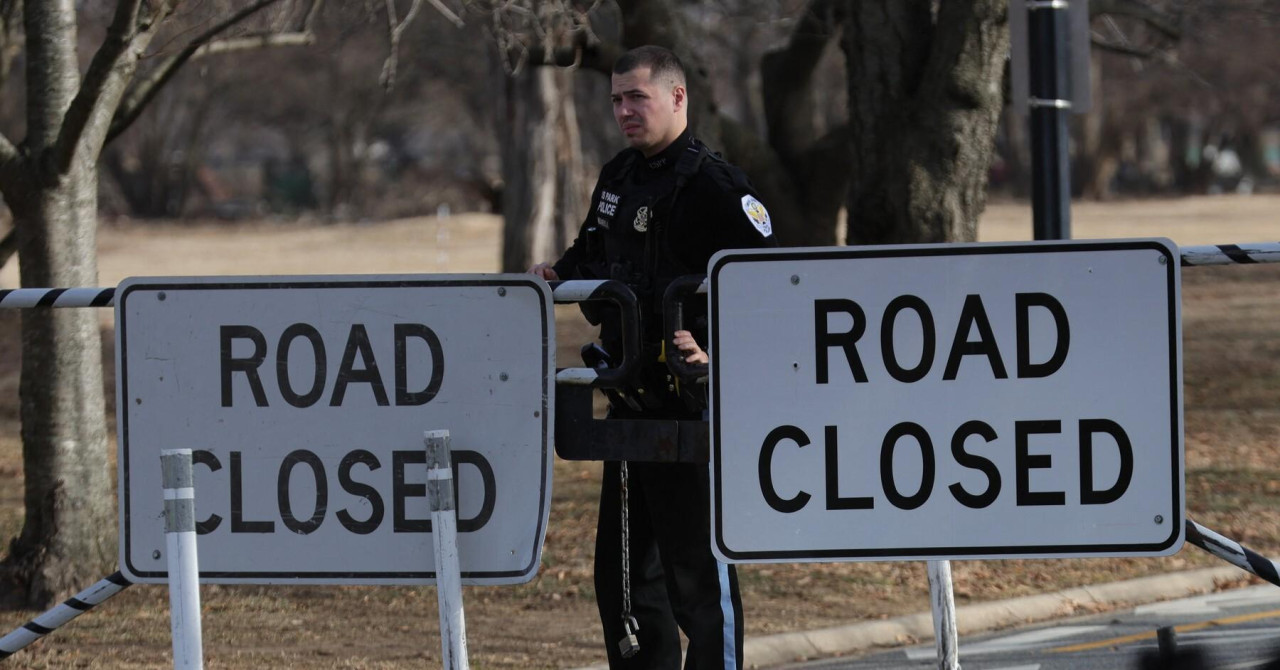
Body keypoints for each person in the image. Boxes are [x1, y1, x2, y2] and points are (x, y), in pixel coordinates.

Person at [529, 45, 777, 670]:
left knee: (699, 583)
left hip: (693, 419)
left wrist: (717, 350)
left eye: (635, 97)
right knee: (625, 590)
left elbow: (772, 289)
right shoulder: (617, 178)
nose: (623, 111)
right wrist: (552, 275)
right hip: (629, 411)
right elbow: (589, 258)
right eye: (616, 99)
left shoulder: (719, 188)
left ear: (676, 97)